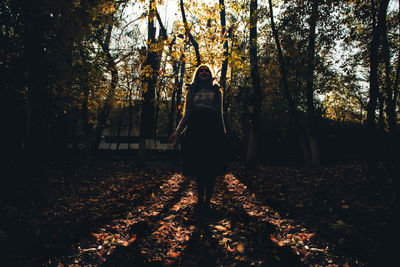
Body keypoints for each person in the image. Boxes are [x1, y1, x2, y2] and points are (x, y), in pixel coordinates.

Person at [169, 64, 227, 212]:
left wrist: (223, 133)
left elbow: (220, 114)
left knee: (211, 168)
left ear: (210, 74)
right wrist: (177, 132)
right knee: (200, 168)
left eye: (206, 70)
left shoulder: (216, 90)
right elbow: (187, 114)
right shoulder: (192, 90)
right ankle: (200, 200)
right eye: (201, 70)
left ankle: (208, 201)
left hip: (212, 130)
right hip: (196, 130)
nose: (203, 72)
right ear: (197, 74)